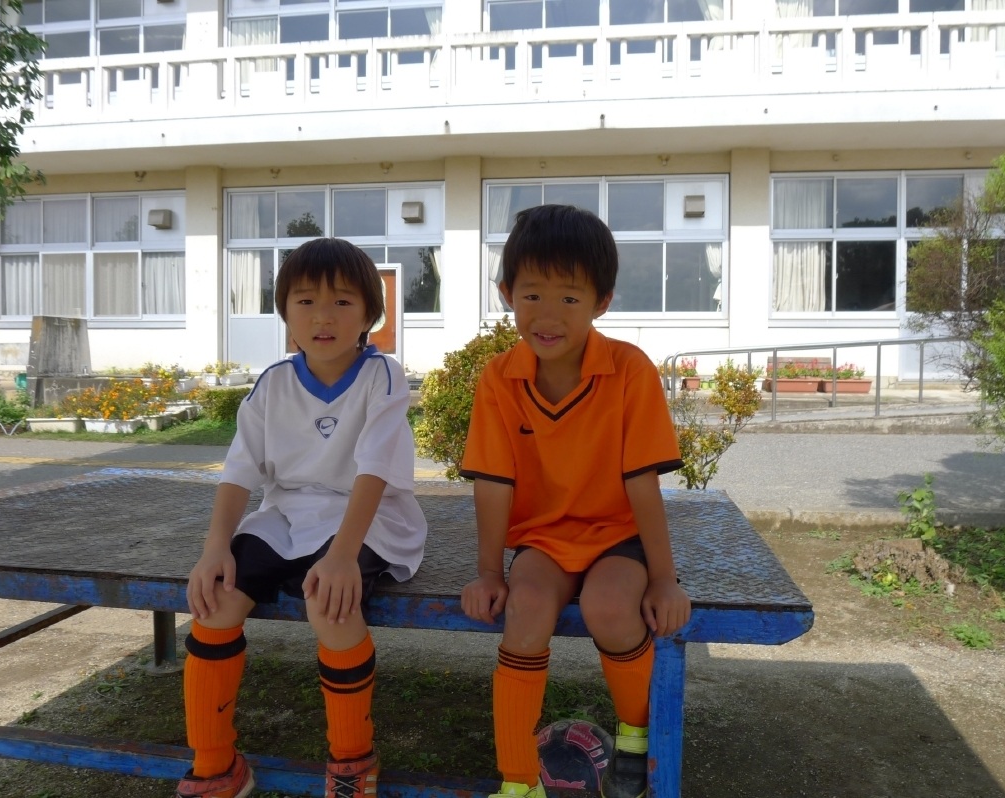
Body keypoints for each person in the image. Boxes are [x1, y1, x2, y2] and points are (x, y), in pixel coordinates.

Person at [176, 238, 427, 798]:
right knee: (215, 600)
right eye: (306, 301)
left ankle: (352, 761)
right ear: (285, 312)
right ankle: (215, 762)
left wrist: (342, 556)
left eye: (342, 302)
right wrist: (215, 548)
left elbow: (374, 468)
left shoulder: (382, 375)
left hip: (368, 518)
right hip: (287, 513)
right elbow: (240, 470)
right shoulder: (273, 382)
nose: (322, 316)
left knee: (329, 603)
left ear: (370, 314)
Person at [459, 204, 692, 798]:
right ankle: (518, 780)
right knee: (526, 607)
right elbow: (493, 481)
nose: (548, 315)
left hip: (618, 534)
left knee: (610, 608)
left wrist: (663, 580)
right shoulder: (499, 378)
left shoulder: (628, 370)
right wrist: (488, 572)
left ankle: (635, 733)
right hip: (544, 538)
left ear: (601, 301)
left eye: (569, 297)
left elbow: (642, 482)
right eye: (532, 295)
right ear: (507, 294)